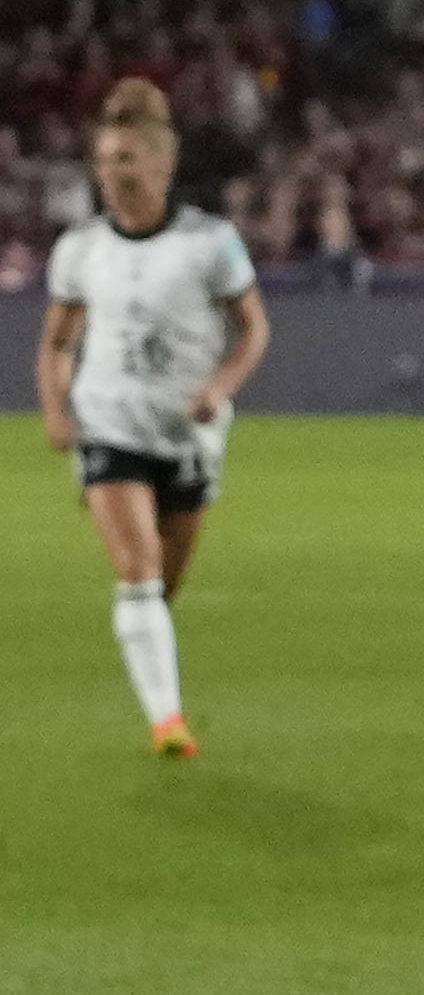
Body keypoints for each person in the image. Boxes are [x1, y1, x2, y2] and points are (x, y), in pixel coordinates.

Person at [35, 79, 270, 759]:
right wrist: (56, 406)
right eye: (104, 161)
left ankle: (149, 666)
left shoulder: (210, 244)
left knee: (162, 584)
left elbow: (253, 328)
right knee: (136, 569)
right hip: (107, 421)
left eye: (126, 160)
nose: (113, 174)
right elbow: (56, 340)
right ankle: (168, 721)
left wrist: (220, 385)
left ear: (162, 164)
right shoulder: (80, 250)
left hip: (188, 433)